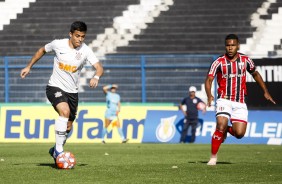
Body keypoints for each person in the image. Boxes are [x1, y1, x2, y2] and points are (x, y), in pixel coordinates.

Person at [20, 21, 104, 164]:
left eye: (83, 36)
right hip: (55, 87)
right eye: (77, 36)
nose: (80, 39)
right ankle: (59, 151)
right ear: (70, 34)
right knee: (64, 111)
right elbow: (42, 50)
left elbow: (99, 67)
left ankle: (55, 149)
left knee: (68, 126)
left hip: (72, 92)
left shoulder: (85, 50)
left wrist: (96, 76)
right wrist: (29, 66)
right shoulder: (58, 44)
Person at [205, 34, 276, 165]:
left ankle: (225, 130)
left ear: (238, 46)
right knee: (220, 125)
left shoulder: (245, 60)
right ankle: (213, 157)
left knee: (239, 134)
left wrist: (265, 91)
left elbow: (255, 74)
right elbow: (209, 80)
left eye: (233, 45)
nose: (230, 48)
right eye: (228, 45)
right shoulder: (219, 62)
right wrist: (209, 95)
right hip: (224, 100)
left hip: (240, 101)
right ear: (225, 46)